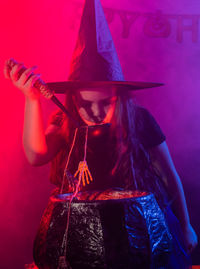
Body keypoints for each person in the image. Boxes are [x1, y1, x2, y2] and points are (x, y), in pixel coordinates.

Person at [3, 0, 198, 267]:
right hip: (79, 237)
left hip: (137, 232)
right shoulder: (63, 121)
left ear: (121, 99)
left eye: (105, 103)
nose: (94, 112)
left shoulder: (139, 121)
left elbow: (169, 175)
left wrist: (185, 225)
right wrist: (32, 100)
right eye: (85, 104)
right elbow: (36, 155)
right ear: (72, 101)